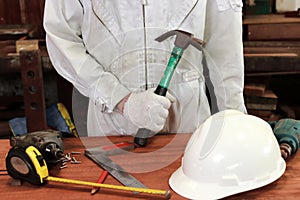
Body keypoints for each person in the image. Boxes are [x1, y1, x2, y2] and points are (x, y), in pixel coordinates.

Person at [43, 0, 247, 137]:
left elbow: (225, 55)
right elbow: (61, 38)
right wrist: (120, 99)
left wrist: (237, 124)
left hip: (188, 124)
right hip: (111, 122)